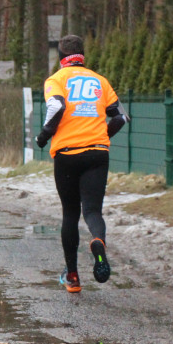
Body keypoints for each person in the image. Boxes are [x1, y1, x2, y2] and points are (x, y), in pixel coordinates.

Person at [36, 34, 128, 293]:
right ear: (82, 55)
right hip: (97, 153)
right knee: (93, 211)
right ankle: (98, 241)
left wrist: (43, 136)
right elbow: (121, 117)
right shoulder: (100, 80)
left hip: (67, 153)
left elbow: (56, 106)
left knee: (70, 213)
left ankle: (73, 277)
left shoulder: (56, 80)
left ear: (61, 56)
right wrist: (101, 136)